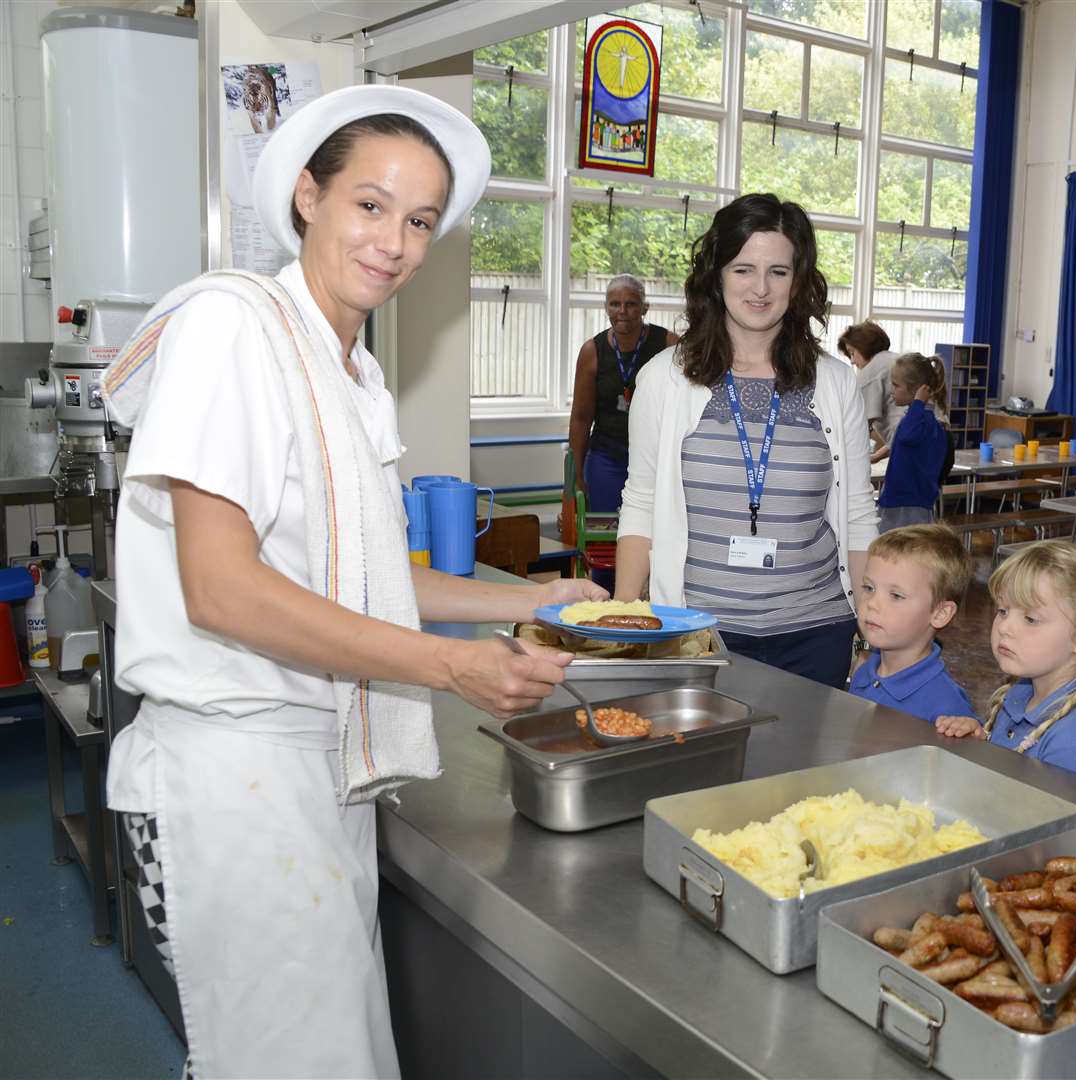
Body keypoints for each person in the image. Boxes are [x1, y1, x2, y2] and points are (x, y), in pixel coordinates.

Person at [100, 86, 605, 1079]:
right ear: (306, 197)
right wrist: (448, 672)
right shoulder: (232, 327)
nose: (395, 242)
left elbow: (368, 576)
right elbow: (222, 591)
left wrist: (528, 599)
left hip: (308, 767)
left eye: (419, 220)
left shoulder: (351, 372)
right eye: (370, 204)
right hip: (229, 781)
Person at [614, 193, 878, 688]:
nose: (760, 288)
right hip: (696, 635)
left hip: (816, 632)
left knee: (808, 768)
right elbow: (641, 502)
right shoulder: (665, 379)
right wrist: (625, 623)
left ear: (798, 282)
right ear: (716, 275)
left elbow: (859, 513)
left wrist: (869, 632)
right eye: (743, 269)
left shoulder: (836, 382)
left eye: (778, 271)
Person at [935, 541, 1076, 785]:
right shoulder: (1024, 689)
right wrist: (982, 742)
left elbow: (1053, 822)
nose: (1004, 627)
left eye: (1030, 619)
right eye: (1003, 611)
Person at [567, 274, 679, 514]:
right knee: (603, 528)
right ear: (606, 307)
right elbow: (580, 419)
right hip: (607, 454)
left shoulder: (668, 344)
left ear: (644, 308)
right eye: (615, 304)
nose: (622, 311)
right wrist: (575, 477)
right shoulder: (592, 351)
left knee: (650, 529)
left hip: (654, 457)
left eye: (631, 304)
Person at [849, 525, 975, 723]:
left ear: (940, 614)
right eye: (869, 587)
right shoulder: (865, 673)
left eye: (896, 595)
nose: (872, 603)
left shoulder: (947, 707)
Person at [876, 352, 950, 533]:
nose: (891, 390)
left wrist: (918, 403)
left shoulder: (923, 420)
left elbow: (907, 436)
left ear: (917, 390)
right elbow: (900, 442)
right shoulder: (916, 417)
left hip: (907, 503)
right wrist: (878, 455)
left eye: (896, 385)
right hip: (902, 500)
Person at [837, 320, 905, 462]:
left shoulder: (871, 372)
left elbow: (859, 425)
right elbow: (903, 430)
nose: (852, 361)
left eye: (852, 353)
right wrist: (876, 457)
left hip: (913, 446)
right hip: (939, 440)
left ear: (864, 346)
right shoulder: (896, 359)